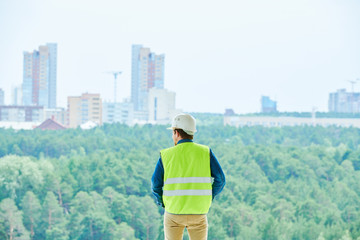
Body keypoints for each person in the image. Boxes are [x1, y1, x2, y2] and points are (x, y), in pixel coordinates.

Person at [151, 113, 226, 240]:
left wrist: (162, 202)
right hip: (198, 211)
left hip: (173, 212)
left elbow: (155, 184)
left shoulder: (166, 155)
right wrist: (209, 196)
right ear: (192, 132)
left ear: (176, 133)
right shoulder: (205, 152)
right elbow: (221, 179)